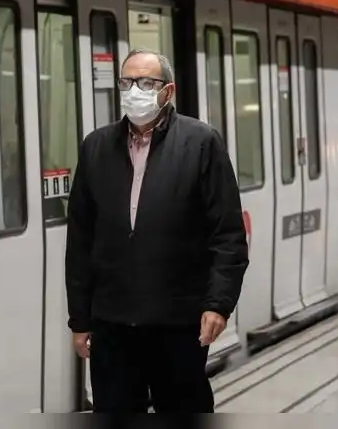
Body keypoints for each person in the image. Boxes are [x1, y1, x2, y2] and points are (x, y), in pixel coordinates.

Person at [65, 48, 249, 413]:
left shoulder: (200, 143)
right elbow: (81, 240)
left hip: (178, 322)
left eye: (147, 82)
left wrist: (218, 304)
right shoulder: (96, 148)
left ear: (169, 91)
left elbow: (227, 235)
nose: (135, 91)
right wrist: (80, 318)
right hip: (113, 323)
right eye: (127, 82)